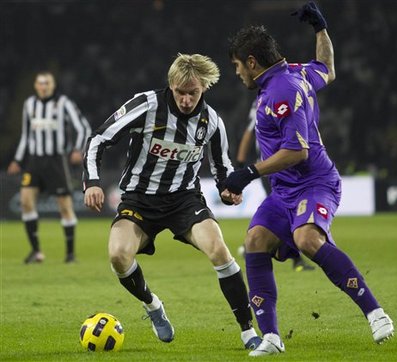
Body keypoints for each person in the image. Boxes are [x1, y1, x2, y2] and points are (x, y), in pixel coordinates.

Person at [225, 2, 394, 356]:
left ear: (252, 63)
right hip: (284, 190)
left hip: (314, 182)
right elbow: (328, 69)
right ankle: (271, 337)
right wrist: (320, 30)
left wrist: (249, 172)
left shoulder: (281, 92)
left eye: (238, 66)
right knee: (255, 239)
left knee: (306, 239)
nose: (238, 73)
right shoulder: (296, 73)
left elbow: (297, 151)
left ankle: (376, 313)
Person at [82, 53, 261, 350]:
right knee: (118, 256)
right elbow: (99, 138)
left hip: (184, 200)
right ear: (171, 86)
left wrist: (228, 189)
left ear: (204, 87)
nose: (186, 100)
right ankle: (153, 306)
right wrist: (92, 183)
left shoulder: (211, 121)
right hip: (139, 200)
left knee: (219, 250)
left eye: (193, 93)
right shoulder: (147, 105)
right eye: (180, 92)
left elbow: (221, 165)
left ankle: (248, 331)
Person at [7, 71, 90, 264]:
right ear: (36, 86)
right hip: (34, 161)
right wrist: (18, 160)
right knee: (26, 202)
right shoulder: (29, 104)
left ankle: (70, 254)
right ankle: (36, 252)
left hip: (56, 161)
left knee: (65, 207)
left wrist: (78, 149)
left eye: (46, 83)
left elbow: (83, 127)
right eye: (40, 83)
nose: (43, 86)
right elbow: (26, 136)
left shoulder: (63, 103)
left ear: (52, 85)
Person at [236, 99, 315, 272]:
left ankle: (253, 242)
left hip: (280, 165)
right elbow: (249, 132)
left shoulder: (272, 100)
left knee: (282, 209)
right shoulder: (262, 102)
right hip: (272, 167)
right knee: (286, 209)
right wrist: (240, 164)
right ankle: (293, 256)